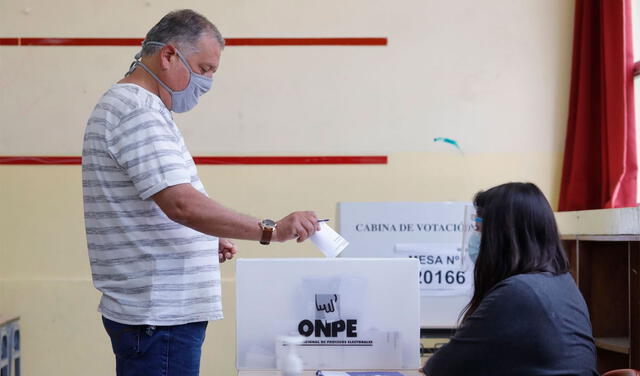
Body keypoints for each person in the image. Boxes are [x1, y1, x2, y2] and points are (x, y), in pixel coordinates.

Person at [81, 9, 319, 376]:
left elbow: (169, 203)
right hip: (159, 318)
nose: (207, 81)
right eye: (204, 68)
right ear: (169, 55)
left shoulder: (145, 110)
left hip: (161, 317)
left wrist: (204, 238)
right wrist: (271, 230)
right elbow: (181, 204)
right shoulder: (136, 111)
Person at [421, 182, 598, 376]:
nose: (475, 237)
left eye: (479, 228)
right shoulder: (561, 282)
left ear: (502, 235)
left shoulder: (517, 292)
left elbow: (441, 368)